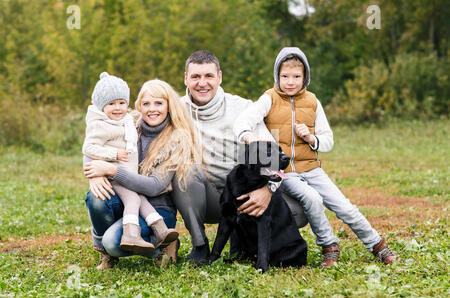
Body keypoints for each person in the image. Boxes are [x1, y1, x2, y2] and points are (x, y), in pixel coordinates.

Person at [233, 47, 398, 266]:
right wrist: (250, 138)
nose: (290, 82)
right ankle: (329, 246)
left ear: (305, 77)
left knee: (344, 206)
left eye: (296, 77)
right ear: (277, 76)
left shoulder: (313, 101)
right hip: (285, 172)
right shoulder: (268, 99)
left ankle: (378, 245)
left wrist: (311, 138)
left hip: (312, 168)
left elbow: (328, 140)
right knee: (312, 198)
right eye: (285, 76)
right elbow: (241, 122)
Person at [171, 50, 308, 265]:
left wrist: (267, 191)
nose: (202, 83)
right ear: (185, 78)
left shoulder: (243, 108)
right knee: (186, 172)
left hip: (244, 195)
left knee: (298, 212)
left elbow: (270, 151)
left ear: (220, 77)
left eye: (209, 76)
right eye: (196, 77)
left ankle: (242, 242)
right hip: (205, 198)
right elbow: (139, 125)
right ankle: (200, 246)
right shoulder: (174, 110)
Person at [83, 79, 202, 270]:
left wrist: (112, 170)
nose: (152, 109)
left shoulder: (176, 139)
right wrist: (94, 173)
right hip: (127, 201)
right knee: (95, 197)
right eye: (146, 103)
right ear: (139, 106)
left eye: (158, 103)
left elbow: (154, 186)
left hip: (158, 210)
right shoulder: (128, 125)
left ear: (169, 106)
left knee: (113, 242)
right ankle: (106, 255)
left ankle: (162, 245)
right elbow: (91, 146)